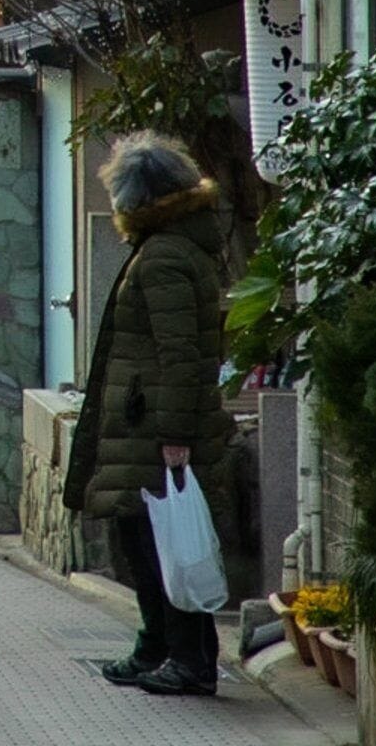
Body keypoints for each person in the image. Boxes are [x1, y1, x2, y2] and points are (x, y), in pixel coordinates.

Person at [64, 132, 240, 698]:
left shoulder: (163, 255)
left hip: (152, 430)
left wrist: (174, 434)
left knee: (164, 545)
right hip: (140, 427)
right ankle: (159, 648)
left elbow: (180, 354)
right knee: (146, 541)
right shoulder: (175, 247)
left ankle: (188, 660)